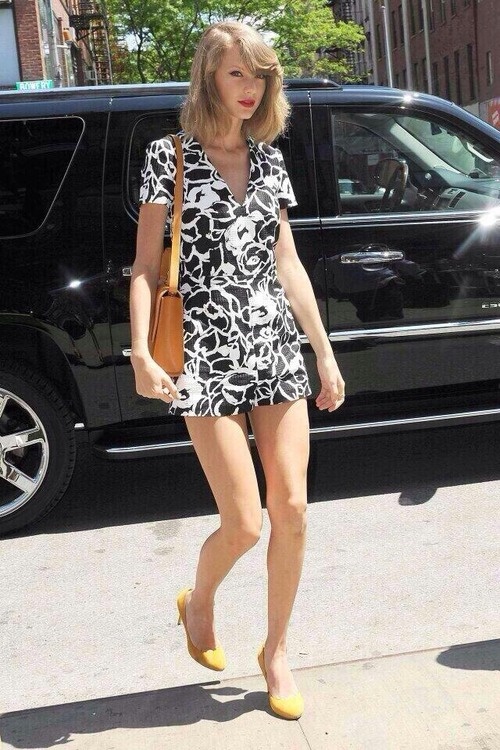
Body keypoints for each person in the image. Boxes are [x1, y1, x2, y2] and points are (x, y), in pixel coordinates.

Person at [130, 21, 345, 721]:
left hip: (274, 348)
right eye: (236, 74)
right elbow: (144, 267)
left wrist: (322, 350)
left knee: (293, 510)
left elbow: (287, 263)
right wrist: (141, 352)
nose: (250, 88)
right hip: (205, 355)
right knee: (246, 523)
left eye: (259, 76)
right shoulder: (168, 158)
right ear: (209, 78)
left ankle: (276, 650)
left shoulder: (269, 160)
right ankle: (199, 600)